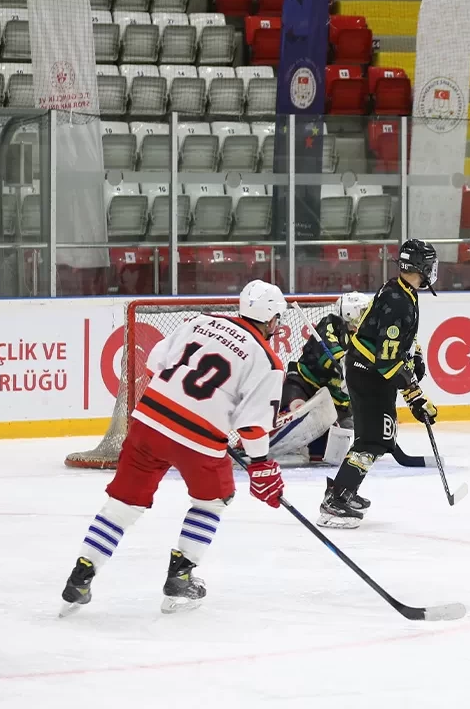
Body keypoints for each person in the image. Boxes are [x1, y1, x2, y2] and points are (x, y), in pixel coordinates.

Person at [60, 280, 289, 616]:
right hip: (199, 441)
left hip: (148, 422)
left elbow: (155, 364)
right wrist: (260, 464)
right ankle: (180, 575)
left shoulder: (200, 321)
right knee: (212, 501)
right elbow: (252, 426)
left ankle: (82, 574)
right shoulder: (268, 360)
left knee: (122, 505)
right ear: (272, 320)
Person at [318, 239, 439, 528]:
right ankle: (336, 501)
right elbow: (386, 360)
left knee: (376, 438)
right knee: (373, 440)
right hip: (369, 373)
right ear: (422, 266)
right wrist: (415, 395)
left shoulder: (401, 291)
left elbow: (394, 339)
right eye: (431, 263)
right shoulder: (399, 302)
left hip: (370, 371)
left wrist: (415, 354)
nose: (434, 270)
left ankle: (343, 491)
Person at [274, 291, 370, 461]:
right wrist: (349, 367)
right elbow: (330, 354)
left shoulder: (365, 335)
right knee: (293, 412)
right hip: (305, 385)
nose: (366, 316)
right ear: (350, 312)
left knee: (322, 455)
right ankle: (261, 445)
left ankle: (304, 446)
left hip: (335, 401)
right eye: (362, 311)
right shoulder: (331, 324)